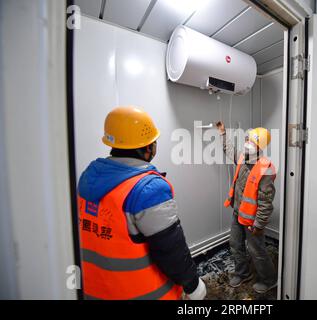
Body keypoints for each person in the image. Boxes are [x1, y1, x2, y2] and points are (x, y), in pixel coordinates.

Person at [77, 106, 206, 300]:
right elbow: (170, 248)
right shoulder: (149, 189)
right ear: (147, 148)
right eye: (153, 142)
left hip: (96, 289)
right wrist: (192, 284)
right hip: (143, 292)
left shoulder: (88, 176)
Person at [215, 121, 277, 294]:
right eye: (247, 139)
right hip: (237, 213)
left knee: (256, 250)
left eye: (252, 141)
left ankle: (269, 280)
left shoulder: (266, 169)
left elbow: (266, 203)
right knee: (235, 244)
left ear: (260, 146)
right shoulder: (242, 157)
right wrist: (222, 133)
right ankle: (243, 273)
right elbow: (229, 151)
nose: (247, 143)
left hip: (252, 220)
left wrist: (259, 225)